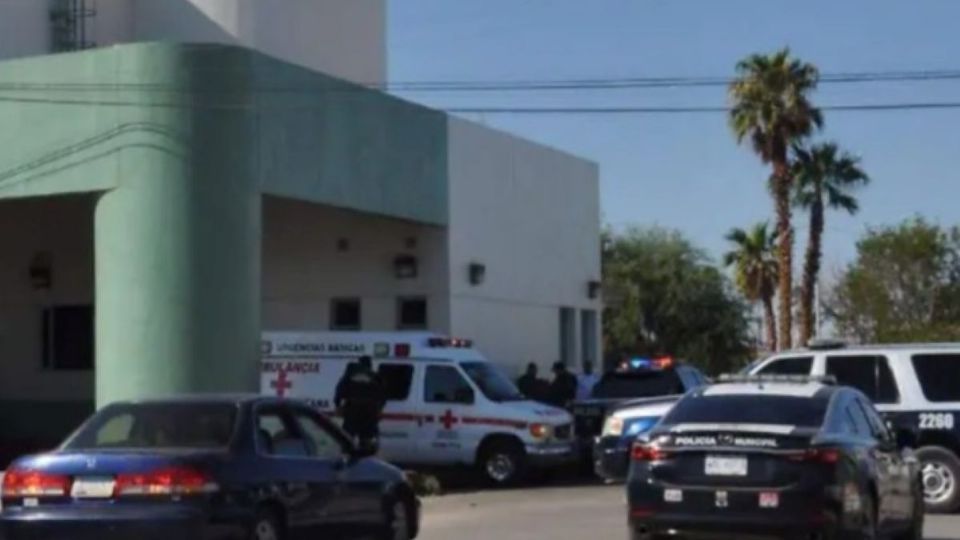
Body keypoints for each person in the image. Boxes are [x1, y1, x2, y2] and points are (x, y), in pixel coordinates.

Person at [335, 356, 386, 446]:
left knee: (348, 437)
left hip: (352, 410)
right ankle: (365, 452)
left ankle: (348, 452)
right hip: (370, 411)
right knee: (367, 438)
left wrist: (338, 405)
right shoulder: (376, 377)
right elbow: (383, 395)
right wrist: (380, 408)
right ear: (370, 364)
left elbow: (339, 392)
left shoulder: (349, 376)